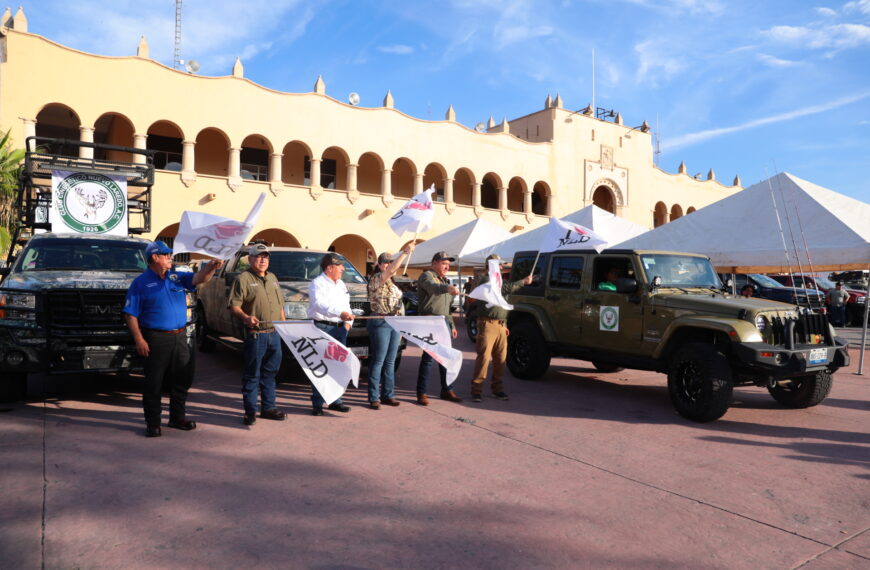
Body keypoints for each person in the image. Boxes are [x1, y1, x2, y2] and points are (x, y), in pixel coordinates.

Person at [123, 240, 222, 438]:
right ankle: (153, 423)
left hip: (180, 336)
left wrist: (211, 267)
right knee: (154, 383)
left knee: (181, 380)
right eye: (166, 254)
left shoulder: (176, 277)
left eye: (170, 254)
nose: (171, 258)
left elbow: (199, 279)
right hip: (156, 339)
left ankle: (177, 418)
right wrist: (139, 340)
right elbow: (130, 314)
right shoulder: (141, 283)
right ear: (155, 257)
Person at [229, 243, 287, 426]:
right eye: (258, 256)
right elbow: (234, 306)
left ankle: (268, 408)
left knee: (270, 373)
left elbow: (280, 306)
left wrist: (283, 326)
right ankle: (250, 411)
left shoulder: (273, 278)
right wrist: (246, 318)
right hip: (256, 335)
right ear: (250, 259)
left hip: (274, 334)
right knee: (252, 374)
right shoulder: (243, 279)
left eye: (265, 257)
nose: (262, 260)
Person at [469, 255, 533, 403]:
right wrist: (523, 282)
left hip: (500, 324)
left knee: (500, 359)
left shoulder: (496, 280)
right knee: (484, 358)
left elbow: (502, 302)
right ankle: (476, 390)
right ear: (491, 266)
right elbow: (503, 289)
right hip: (487, 324)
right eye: (499, 265)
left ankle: (497, 389)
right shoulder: (485, 280)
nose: (502, 267)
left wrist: (504, 325)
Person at [366, 242, 415, 409]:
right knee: (378, 359)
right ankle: (374, 397)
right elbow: (391, 270)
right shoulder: (375, 279)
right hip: (380, 320)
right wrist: (404, 253)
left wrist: (401, 325)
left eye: (389, 261)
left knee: (390, 361)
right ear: (379, 265)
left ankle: (388, 394)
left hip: (394, 322)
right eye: (384, 262)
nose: (387, 264)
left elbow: (399, 303)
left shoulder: (393, 284)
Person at [307, 252, 354, 416]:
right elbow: (319, 304)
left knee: (337, 366)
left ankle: (335, 401)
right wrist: (339, 313)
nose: (343, 268)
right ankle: (317, 403)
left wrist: (348, 323)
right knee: (321, 367)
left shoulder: (341, 284)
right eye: (340, 265)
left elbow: (347, 304)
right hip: (323, 328)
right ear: (329, 268)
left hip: (340, 329)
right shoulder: (317, 283)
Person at [415, 251, 462, 405]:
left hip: (444, 324)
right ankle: (421, 393)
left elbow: (447, 308)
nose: (447, 267)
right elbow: (433, 288)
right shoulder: (427, 276)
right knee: (428, 359)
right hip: (430, 323)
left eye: (448, 264)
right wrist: (447, 288)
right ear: (434, 263)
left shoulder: (445, 280)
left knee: (445, 358)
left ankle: (447, 389)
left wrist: (452, 325)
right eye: (443, 263)